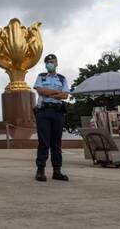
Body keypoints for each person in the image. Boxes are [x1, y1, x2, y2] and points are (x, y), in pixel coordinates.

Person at [33, 54, 69, 182]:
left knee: (56, 143)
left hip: (58, 112)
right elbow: (40, 91)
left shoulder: (62, 78)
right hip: (44, 112)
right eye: (48, 62)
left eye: (52, 62)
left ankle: (57, 171)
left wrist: (49, 92)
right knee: (44, 142)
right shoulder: (41, 77)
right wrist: (56, 93)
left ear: (57, 63)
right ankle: (40, 171)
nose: (50, 64)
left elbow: (65, 95)